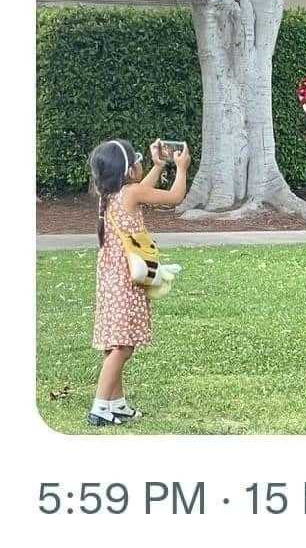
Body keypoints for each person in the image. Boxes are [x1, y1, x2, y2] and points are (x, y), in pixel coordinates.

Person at [86, 137, 190, 427]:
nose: (140, 164)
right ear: (128, 170)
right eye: (138, 161)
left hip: (111, 282)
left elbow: (142, 189)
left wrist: (157, 166)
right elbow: (174, 197)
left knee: (116, 345)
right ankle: (100, 407)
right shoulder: (130, 193)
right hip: (125, 284)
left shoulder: (110, 194)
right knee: (122, 347)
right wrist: (181, 168)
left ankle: (117, 403)